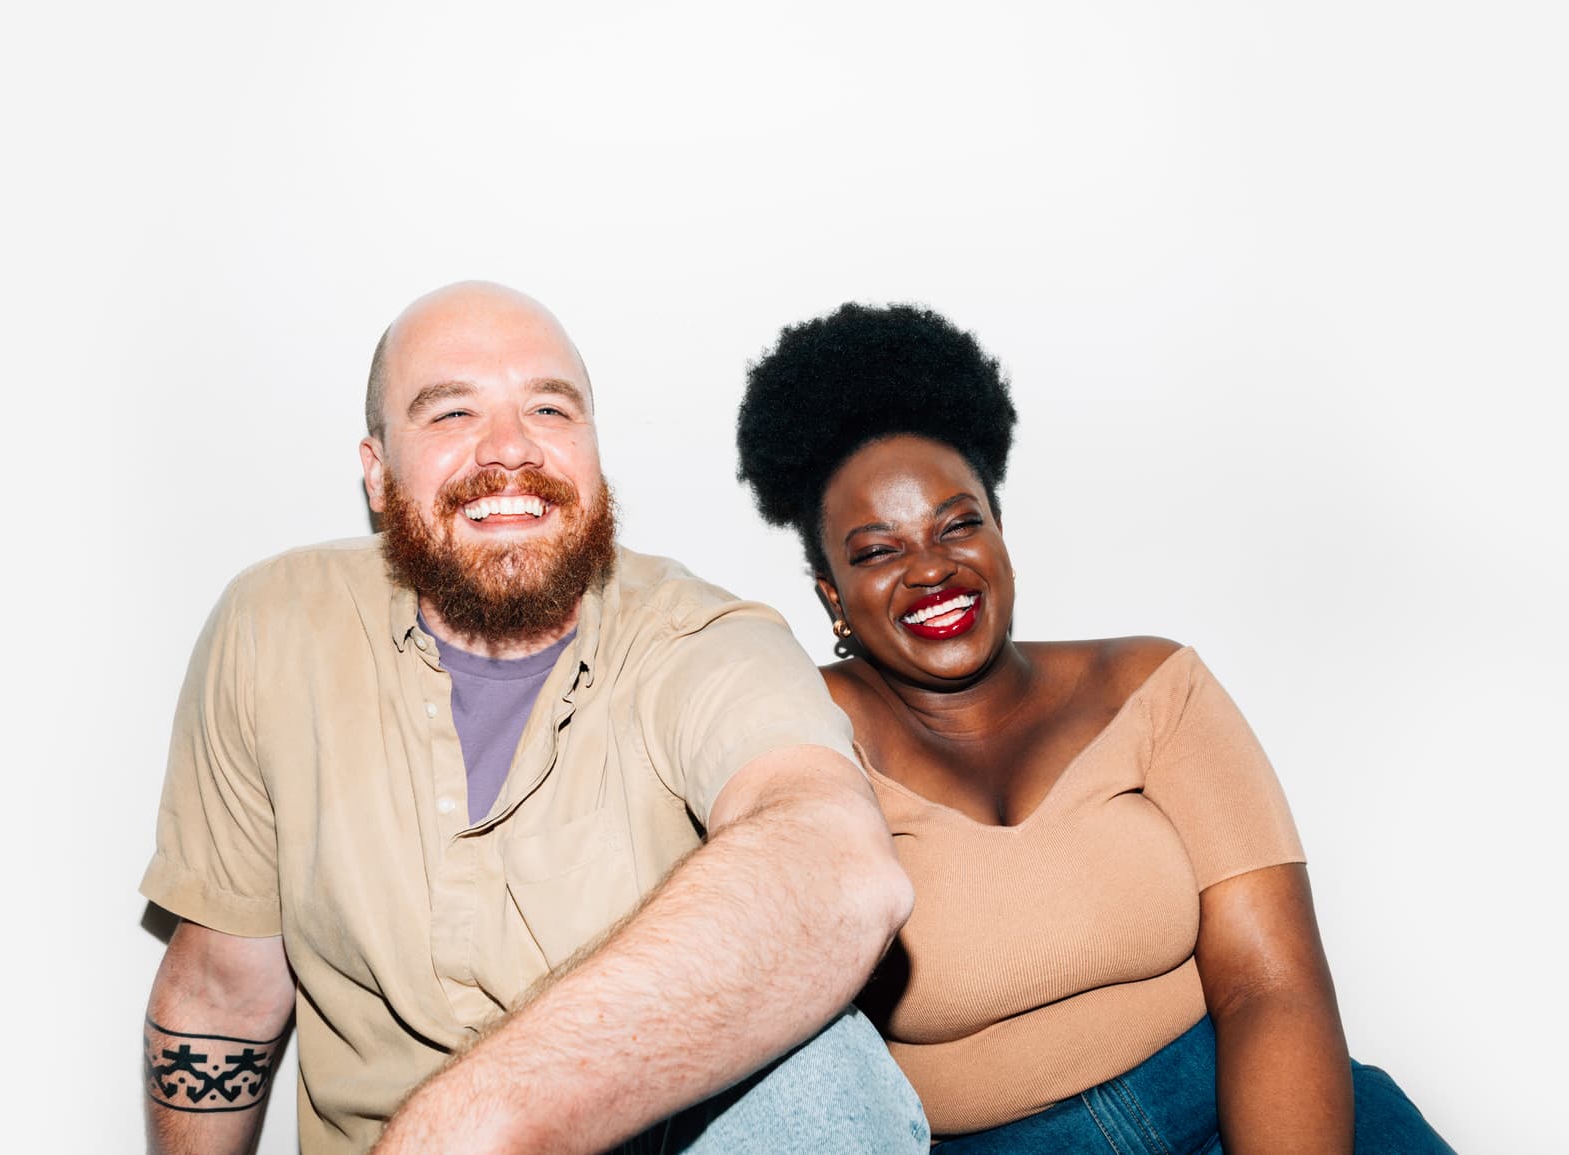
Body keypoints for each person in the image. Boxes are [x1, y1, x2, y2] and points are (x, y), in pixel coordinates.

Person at [140, 281, 930, 1155]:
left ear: (594, 450)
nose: (510, 450)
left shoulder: (704, 638)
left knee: (820, 1064)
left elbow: (836, 869)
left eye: (550, 409)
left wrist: (468, 1128)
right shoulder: (273, 625)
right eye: (449, 414)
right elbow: (222, 997)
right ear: (376, 470)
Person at [734, 302, 1454, 1153]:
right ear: (831, 596)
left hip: (1260, 1103)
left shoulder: (1150, 685)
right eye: (878, 550)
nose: (931, 567)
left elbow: (1273, 984)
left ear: (1000, 534)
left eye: (958, 523)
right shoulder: (792, 739)